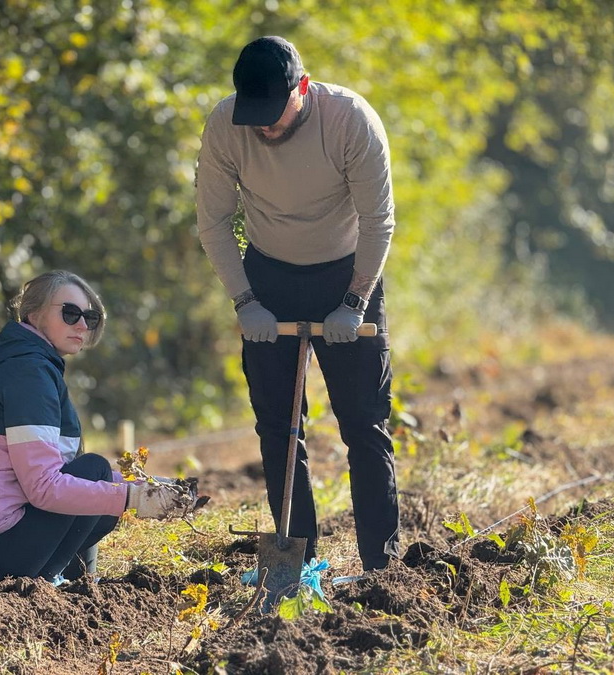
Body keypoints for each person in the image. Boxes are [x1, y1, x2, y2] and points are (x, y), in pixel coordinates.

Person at [195, 36, 399, 572]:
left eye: (274, 111)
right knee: (278, 428)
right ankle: (298, 567)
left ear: (302, 88)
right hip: (268, 275)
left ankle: (383, 568)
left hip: (347, 272)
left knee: (364, 424)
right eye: (253, 113)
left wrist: (354, 302)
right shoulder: (225, 125)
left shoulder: (351, 121)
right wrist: (245, 301)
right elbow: (214, 223)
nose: (263, 126)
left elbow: (378, 222)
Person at [0, 270, 195, 595]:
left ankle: (79, 586)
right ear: (34, 314)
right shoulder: (28, 373)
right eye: (70, 313)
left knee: (94, 480)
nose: (82, 325)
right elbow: (44, 487)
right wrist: (135, 499)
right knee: (93, 471)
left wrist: (151, 487)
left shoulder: (32, 366)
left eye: (90, 317)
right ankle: (68, 583)